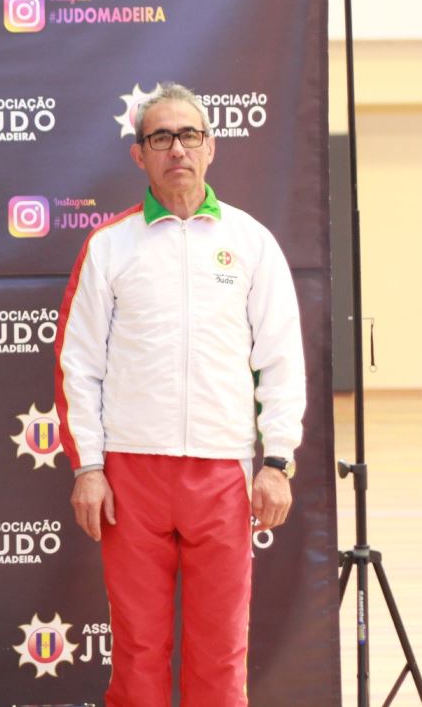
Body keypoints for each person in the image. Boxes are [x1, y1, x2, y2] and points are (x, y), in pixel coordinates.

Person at [54, 83, 306, 707]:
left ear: (210, 147)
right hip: (131, 474)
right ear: (139, 154)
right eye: (160, 137)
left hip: (222, 473)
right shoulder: (109, 245)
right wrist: (88, 468)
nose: (177, 149)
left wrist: (277, 461)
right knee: (137, 648)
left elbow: (281, 361)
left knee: (220, 649)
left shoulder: (251, 241)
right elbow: (77, 365)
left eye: (189, 135)